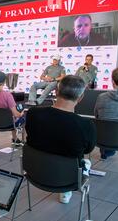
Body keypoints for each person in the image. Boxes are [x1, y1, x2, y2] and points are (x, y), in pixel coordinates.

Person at [26, 75, 96, 204]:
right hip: (68, 179)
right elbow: (88, 149)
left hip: (33, 172)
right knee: (84, 161)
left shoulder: (33, 114)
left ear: (56, 92)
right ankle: (66, 192)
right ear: (80, 98)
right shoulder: (86, 125)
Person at [94, 66, 118, 160]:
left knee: (104, 125)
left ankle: (105, 154)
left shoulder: (102, 97)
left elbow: (97, 116)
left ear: (113, 81)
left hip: (104, 139)